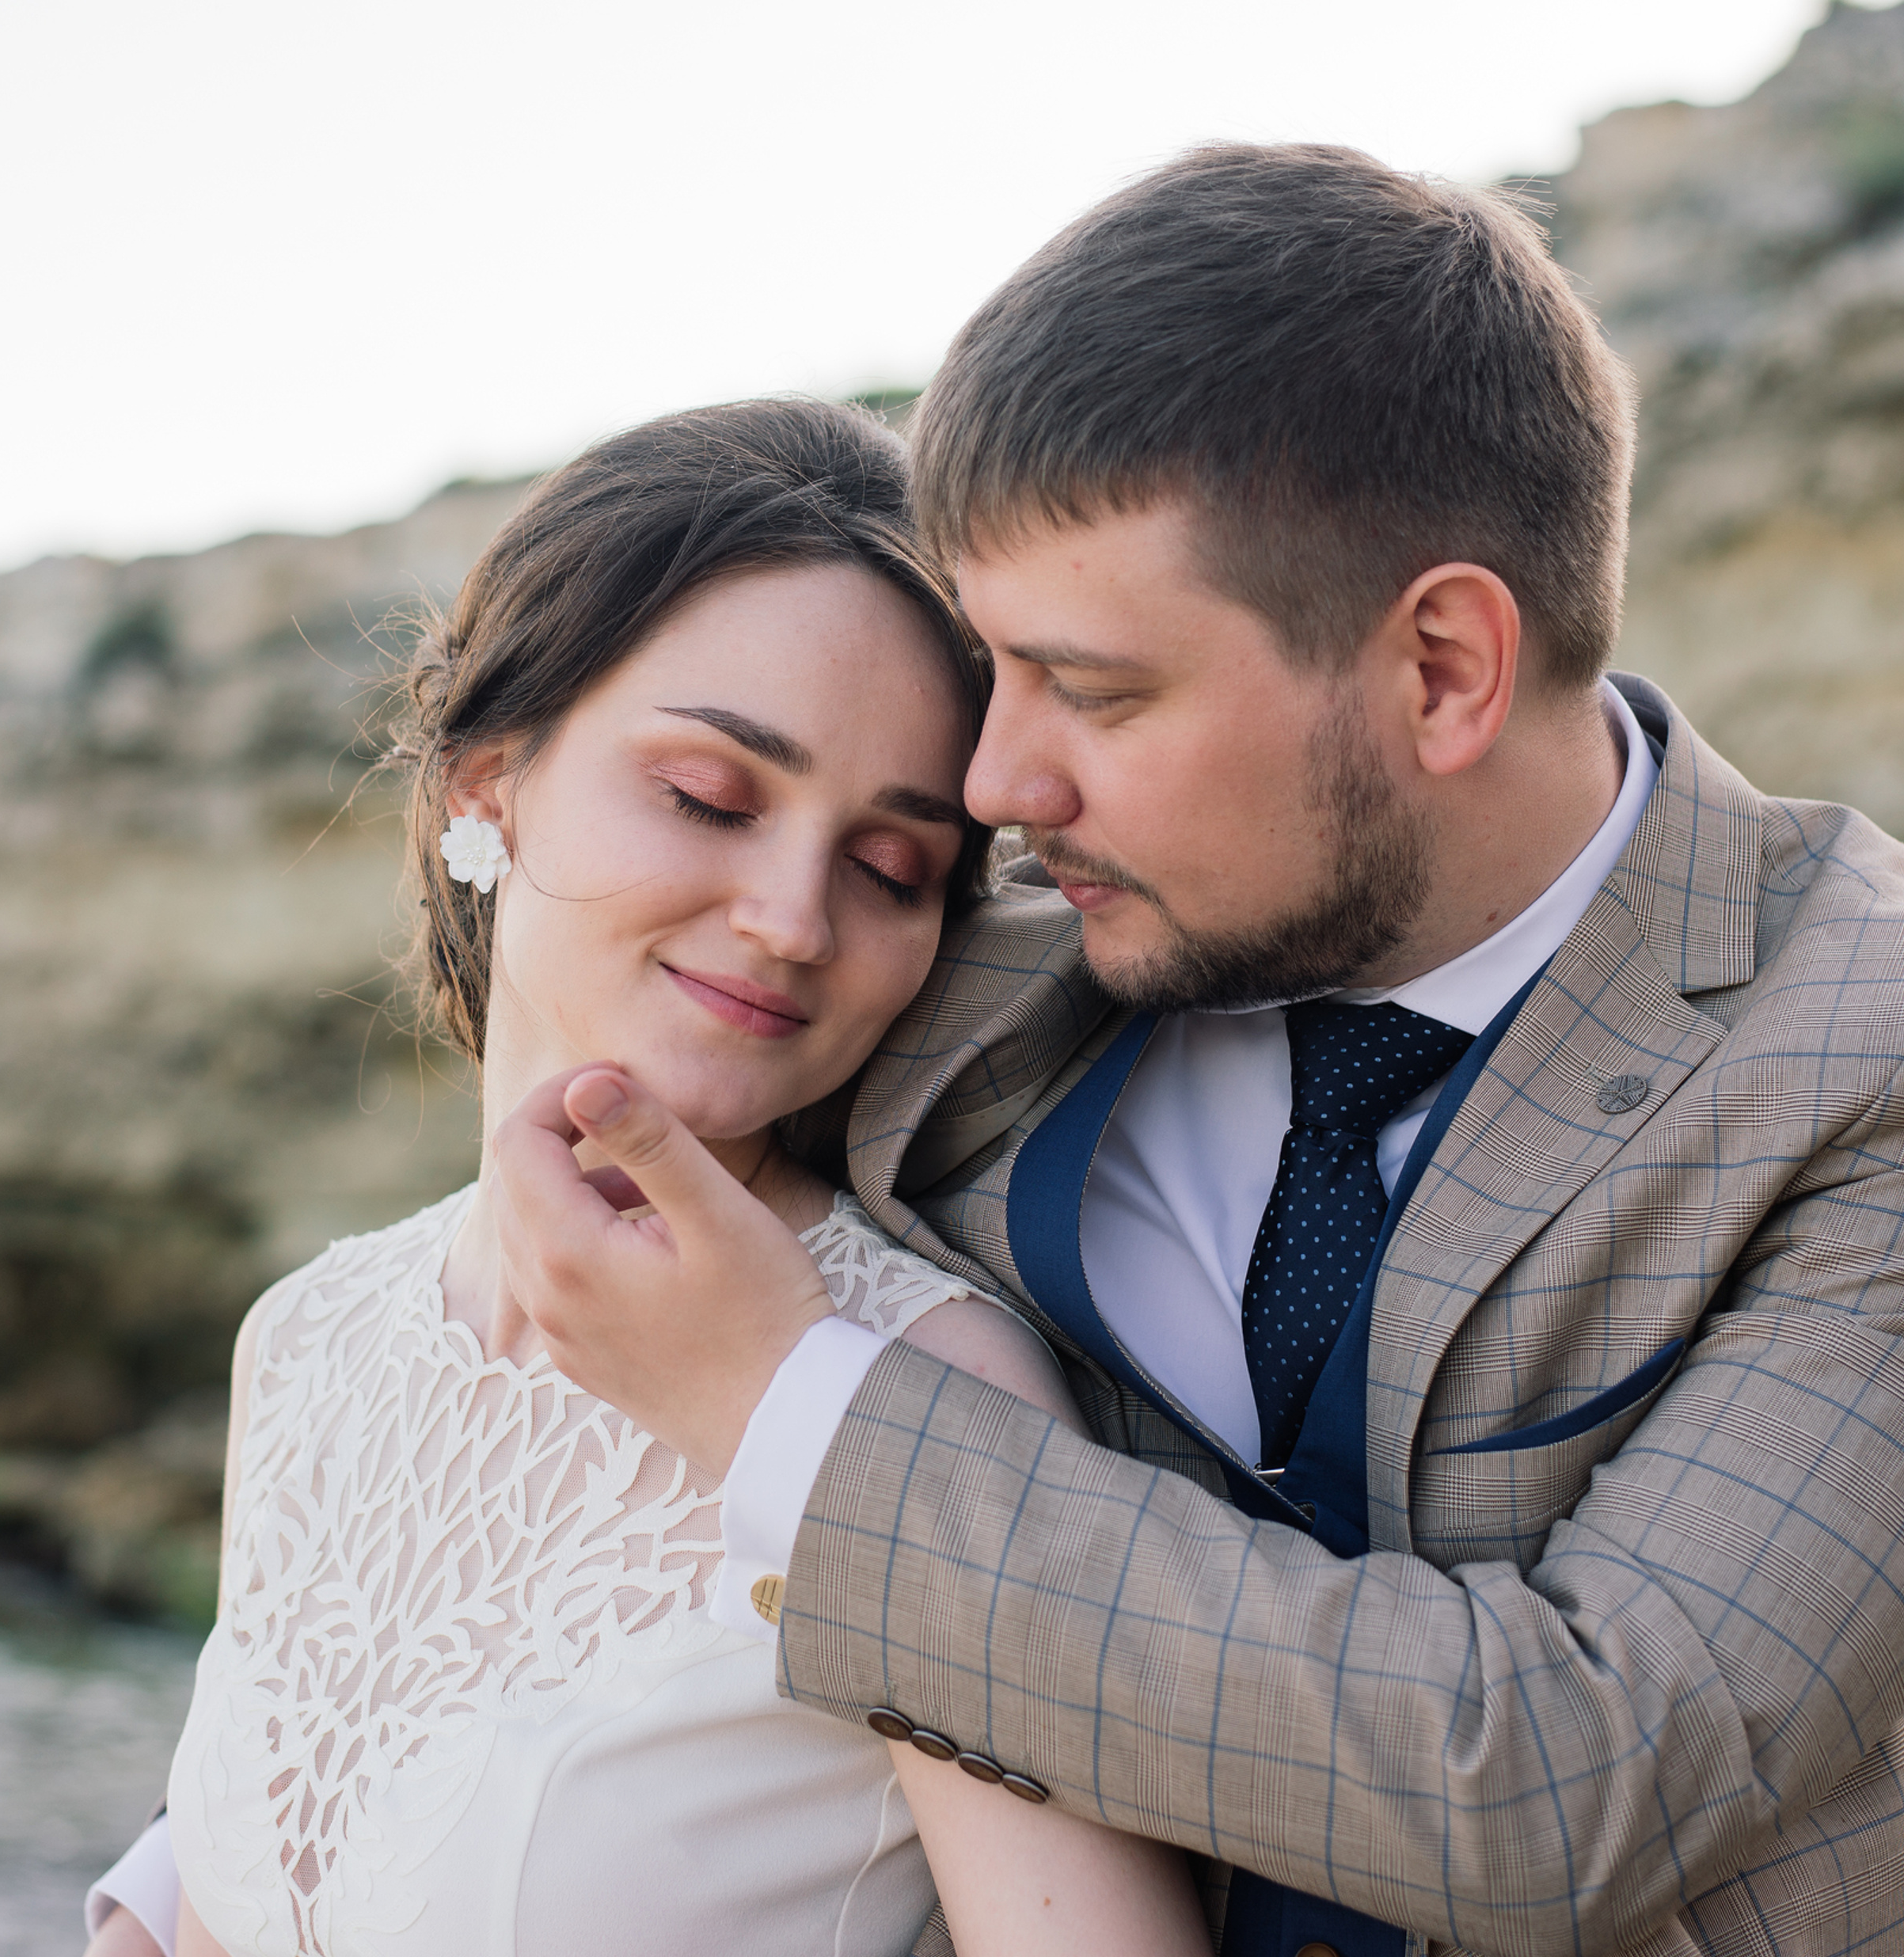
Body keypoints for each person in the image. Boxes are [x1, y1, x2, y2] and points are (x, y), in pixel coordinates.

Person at [494, 146, 1904, 1957]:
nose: (997, 784)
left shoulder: (1859, 1054)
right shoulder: (981, 969)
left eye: (1091, 689)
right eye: (991, 673)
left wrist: (791, 1412)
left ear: (1443, 668)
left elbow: (1567, 1777)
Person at [82, 400, 1211, 1957]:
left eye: (892, 869)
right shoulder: (307, 1336)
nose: (792, 917)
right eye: (709, 793)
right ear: (486, 779)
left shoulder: (921, 1384)